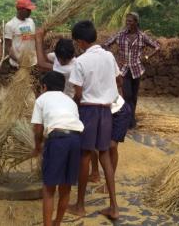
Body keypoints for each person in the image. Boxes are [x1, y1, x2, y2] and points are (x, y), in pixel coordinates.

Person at [68, 20, 121, 220]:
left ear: (81, 42)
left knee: (84, 156)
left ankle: (80, 205)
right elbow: (118, 79)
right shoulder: (109, 56)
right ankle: (114, 206)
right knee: (104, 155)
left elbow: (78, 94)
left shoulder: (81, 61)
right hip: (106, 111)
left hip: (88, 111)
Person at [31, 71, 84, 226]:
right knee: (65, 188)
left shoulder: (41, 99)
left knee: (48, 189)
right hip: (76, 140)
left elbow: (38, 128)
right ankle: (57, 223)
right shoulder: (70, 101)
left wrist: (37, 146)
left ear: (44, 87)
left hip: (58, 140)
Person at [103, 12, 160, 128]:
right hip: (123, 69)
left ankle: (131, 120)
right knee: (127, 95)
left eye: (130, 21)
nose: (127, 23)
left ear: (136, 22)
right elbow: (106, 44)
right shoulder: (120, 35)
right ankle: (128, 119)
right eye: (127, 21)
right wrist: (114, 56)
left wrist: (147, 57)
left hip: (137, 69)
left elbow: (157, 47)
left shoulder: (142, 36)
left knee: (134, 96)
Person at [89, 95, 132, 191]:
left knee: (111, 146)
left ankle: (108, 185)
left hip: (119, 111)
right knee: (91, 140)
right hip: (102, 111)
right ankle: (95, 173)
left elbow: (119, 82)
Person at [5, 0, 40, 95]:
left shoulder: (31, 22)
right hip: (17, 65)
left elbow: (33, 39)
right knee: (16, 91)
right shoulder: (10, 25)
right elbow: (8, 47)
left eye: (30, 9)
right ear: (20, 10)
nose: (30, 12)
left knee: (37, 88)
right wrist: (18, 60)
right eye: (27, 10)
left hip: (32, 62)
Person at [35, 29, 76, 98]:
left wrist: (38, 39)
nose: (62, 62)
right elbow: (45, 58)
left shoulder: (70, 69)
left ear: (72, 57)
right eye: (60, 59)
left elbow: (41, 64)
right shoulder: (61, 54)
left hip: (67, 97)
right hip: (56, 95)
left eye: (65, 60)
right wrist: (42, 39)